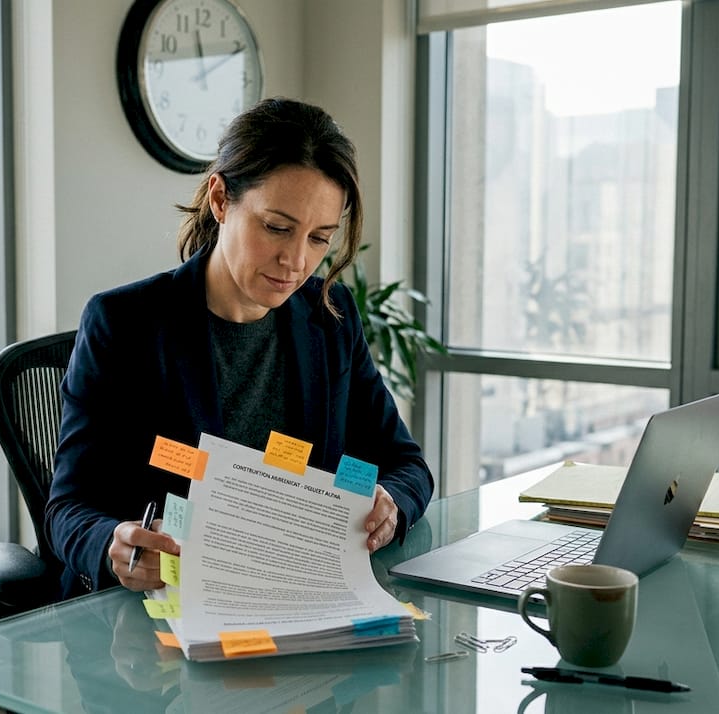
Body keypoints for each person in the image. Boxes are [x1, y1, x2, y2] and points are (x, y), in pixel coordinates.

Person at [45, 97, 435, 599]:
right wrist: (111, 545)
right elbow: (69, 507)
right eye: (276, 227)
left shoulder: (328, 318)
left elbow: (404, 464)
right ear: (221, 199)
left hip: (299, 595)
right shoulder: (126, 324)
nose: (296, 261)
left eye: (320, 238)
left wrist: (392, 502)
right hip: (160, 614)